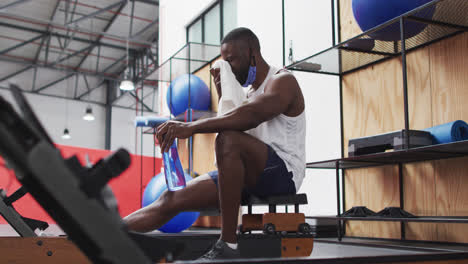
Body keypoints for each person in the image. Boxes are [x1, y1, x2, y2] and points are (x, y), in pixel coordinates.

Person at [124, 27, 306, 260]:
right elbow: (240, 121)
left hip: (284, 174)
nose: (228, 68)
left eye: (232, 60)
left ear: (251, 53)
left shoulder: (282, 81)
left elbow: (250, 117)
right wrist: (222, 92)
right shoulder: (248, 93)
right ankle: (106, 233)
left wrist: (189, 128)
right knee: (171, 198)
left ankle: (227, 244)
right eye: (225, 63)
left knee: (228, 139)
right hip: (252, 173)